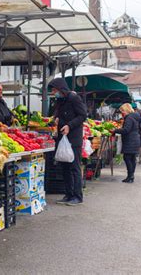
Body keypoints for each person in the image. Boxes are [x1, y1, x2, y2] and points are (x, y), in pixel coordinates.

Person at [48, 78, 87, 206]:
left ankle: (77, 195)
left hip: (73, 139)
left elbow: (82, 115)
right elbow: (60, 115)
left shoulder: (74, 98)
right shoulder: (60, 100)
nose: (54, 93)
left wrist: (69, 125)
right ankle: (68, 194)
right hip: (62, 138)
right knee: (65, 167)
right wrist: (57, 119)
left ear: (61, 88)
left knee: (74, 167)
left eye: (54, 90)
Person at [113, 103, 140, 183]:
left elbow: (126, 130)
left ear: (125, 110)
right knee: (132, 159)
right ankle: (131, 176)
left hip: (130, 140)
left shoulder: (129, 118)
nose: (121, 113)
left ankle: (130, 176)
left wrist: (115, 130)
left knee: (127, 158)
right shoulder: (135, 117)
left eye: (122, 111)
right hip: (135, 139)